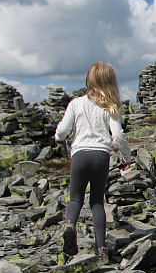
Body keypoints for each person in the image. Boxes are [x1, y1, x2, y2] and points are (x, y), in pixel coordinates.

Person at [55, 61, 132, 257]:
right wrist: (126, 157)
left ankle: (70, 226)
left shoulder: (76, 104)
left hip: (80, 154)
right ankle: (101, 247)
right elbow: (118, 136)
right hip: (101, 156)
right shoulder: (111, 106)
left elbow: (63, 130)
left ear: (89, 80)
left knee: (75, 199)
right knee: (97, 201)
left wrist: (58, 138)